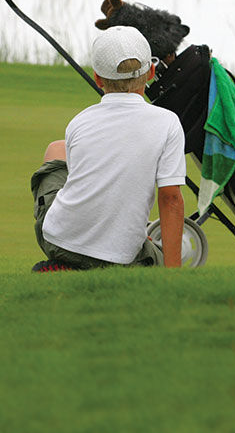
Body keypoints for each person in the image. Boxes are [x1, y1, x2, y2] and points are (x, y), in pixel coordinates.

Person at [30, 25, 186, 271]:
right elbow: (171, 199)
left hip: (58, 242)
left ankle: (68, 267)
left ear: (98, 78)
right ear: (151, 72)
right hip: (121, 257)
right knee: (160, 257)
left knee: (55, 149)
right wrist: (173, 273)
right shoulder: (168, 123)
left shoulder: (79, 122)